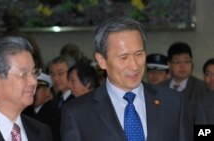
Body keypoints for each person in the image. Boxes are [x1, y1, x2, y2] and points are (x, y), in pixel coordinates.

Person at [60, 17, 191, 141]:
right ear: (101, 61)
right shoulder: (78, 113)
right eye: (123, 57)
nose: (134, 66)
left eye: (139, 54)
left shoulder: (173, 103)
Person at [159, 42, 207, 126]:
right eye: (177, 62)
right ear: (169, 64)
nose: (182, 66)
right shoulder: (160, 88)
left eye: (187, 61)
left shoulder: (202, 88)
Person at [48, 55, 75, 141]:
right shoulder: (56, 101)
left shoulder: (77, 100)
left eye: (60, 73)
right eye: (52, 74)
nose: (56, 78)